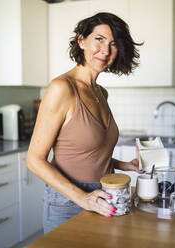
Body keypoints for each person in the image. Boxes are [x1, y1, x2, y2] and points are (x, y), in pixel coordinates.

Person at [26, 12, 143, 234]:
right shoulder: (62, 89)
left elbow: (87, 151)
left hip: (104, 195)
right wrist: (83, 198)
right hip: (68, 201)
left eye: (113, 44)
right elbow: (34, 160)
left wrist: (123, 164)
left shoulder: (101, 93)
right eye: (99, 39)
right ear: (82, 41)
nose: (105, 50)